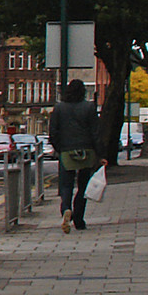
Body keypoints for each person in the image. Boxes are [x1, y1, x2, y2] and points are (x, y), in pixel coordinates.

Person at [49, 79, 101, 233]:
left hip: (66, 151)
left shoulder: (59, 108)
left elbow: (53, 132)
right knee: (83, 186)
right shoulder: (89, 107)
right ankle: (79, 219)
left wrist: (59, 149)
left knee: (66, 184)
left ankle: (66, 208)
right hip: (86, 150)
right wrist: (100, 154)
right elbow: (95, 132)